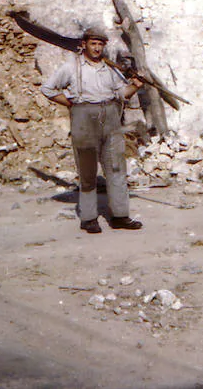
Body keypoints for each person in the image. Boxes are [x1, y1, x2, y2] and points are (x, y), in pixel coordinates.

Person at [41, 25, 143, 234]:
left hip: (111, 119)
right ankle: (88, 218)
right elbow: (47, 89)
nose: (96, 48)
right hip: (83, 119)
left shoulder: (111, 69)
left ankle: (120, 216)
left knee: (116, 169)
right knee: (87, 172)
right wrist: (71, 104)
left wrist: (136, 85)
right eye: (93, 44)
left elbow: (122, 94)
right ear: (84, 44)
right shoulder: (70, 68)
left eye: (100, 44)